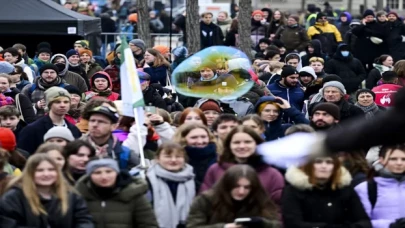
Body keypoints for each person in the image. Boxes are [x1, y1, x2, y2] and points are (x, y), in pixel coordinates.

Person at [0, 153, 94, 228]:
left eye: (51, 170)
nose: (46, 174)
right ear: (30, 173)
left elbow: (84, 221)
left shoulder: (72, 197)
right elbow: (8, 223)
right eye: (40, 170)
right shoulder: (13, 198)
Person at [201, 126, 284, 204]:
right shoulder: (215, 170)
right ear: (229, 145)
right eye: (236, 142)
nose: (242, 146)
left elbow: (278, 207)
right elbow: (204, 204)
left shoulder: (272, 174)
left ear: (256, 143)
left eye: (247, 142)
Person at [281, 155, 371, 228]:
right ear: (307, 165)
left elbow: (364, 222)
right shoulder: (293, 191)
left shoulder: (345, 189)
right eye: (318, 162)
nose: (324, 166)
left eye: (329, 162)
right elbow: (294, 224)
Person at [187, 165, 281, 228]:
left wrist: (261, 223)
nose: (241, 191)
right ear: (227, 184)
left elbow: (277, 225)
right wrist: (224, 227)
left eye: (247, 187)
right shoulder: (205, 200)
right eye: (236, 186)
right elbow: (193, 226)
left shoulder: (260, 199)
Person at [75, 157, 158, 228]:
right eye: (97, 173)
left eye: (109, 171)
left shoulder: (134, 195)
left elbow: (148, 224)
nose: (104, 177)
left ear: (117, 173)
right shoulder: (79, 196)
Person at [18, 87, 82, 154]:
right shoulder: (32, 129)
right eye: (57, 102)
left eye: (66, 102)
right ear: (49, 104)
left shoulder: (74, 130)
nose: (62, 105)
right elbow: (23, 156)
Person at [355, 144, 405, 228]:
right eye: (393, 159)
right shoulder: (365, 188)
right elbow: (359, 223)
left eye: (403, 159)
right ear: (381, 160)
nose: (399, 163)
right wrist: (391, 225)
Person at [146, 142, 195, 228]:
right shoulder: (147, 180)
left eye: (178, 156)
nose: (173, 160)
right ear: (157, 159)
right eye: (168, 156)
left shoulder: (192, 178)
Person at [80, 105, 138, 169]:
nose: (95, 125)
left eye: (101, 122)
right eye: (92, 120)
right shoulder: (75, 149)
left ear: (113, 126)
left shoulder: (125, 154)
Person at [173, 123, 220, 190]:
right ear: (183, 139)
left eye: (203, 137)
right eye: (194, 137)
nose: (200, 141)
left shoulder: (220, 160)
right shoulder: (175, 160)